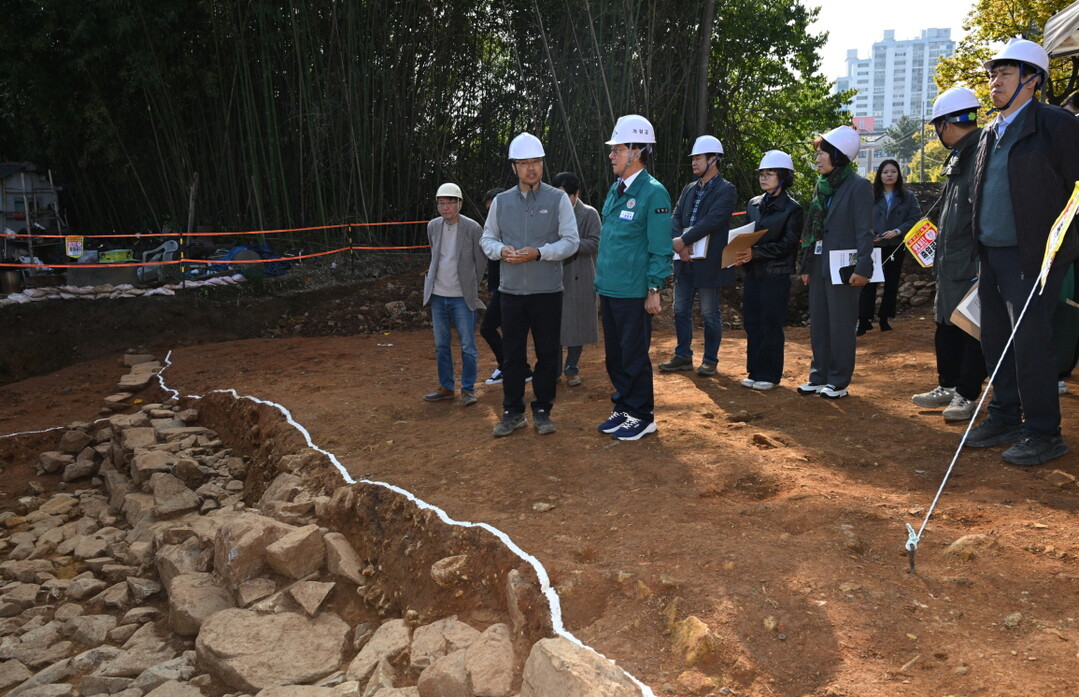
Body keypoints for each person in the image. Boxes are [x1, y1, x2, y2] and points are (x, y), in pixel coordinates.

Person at [966, 38, 1079, 465]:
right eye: (992, 74)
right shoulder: (989, 132)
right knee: (995, 339)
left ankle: (1044, 432)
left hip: (1034, 256)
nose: (994, 81)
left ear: (1032, 80)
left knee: (1030, 343)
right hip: (991, 254)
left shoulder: (1056, 125)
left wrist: (1061, 246)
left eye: (1005, 73)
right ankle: (1005, 416)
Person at [480, 133, 579, 437]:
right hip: (510, 293)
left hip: (547, 292)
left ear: (543, 164)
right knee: (512, 356)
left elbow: (571, 241)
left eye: (536, 162)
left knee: (548, 353)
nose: (531, 168)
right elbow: (487, 238)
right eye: (524, 163)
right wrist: (501, 251)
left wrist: (540, 253)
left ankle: (543, 409)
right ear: (514, 167)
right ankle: (512, 411)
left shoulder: (558, 199)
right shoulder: (501, 202)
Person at [911, 86, 987, 422]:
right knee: (946, 324)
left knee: (971, 328)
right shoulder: (960, 155)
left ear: (945, 124)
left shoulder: (981, 153)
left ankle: (966, 394)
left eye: (937, 127)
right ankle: (948, 384)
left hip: (970, 262)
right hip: (950, 260)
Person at [595, 114, 672, 440]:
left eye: (618, 149)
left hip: (633, 291)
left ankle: (642, 415)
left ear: (637, 151)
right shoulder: (615, 190)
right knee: (615, 355)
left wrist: (654, 287)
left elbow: (660, 247)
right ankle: (624, 406)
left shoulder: (654, 193)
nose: (611, 155)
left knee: (634, 355)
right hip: (610, 288)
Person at [797, 125, 875, 399]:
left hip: (844, 266)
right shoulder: (822, 186)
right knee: (819, 321)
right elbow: (812, 230)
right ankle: (818, 376)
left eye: (822, 154)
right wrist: (806, 265)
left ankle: (838, 380)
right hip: (819, 262)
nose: (817, 159)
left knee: (841, 323)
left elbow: (865, 230)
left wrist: (863, 267)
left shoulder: (859, 186)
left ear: (839, 155)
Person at [659, 135, 737, 376]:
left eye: (698, 158)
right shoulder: (689, 189)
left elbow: (714, 219)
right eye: (693, 158)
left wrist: (684, 240)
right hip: (684, 259)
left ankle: (710, 359)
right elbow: (675, 216)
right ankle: (683, 355)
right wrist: (679, 243)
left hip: (708, 262)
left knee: (709, 312)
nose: (694, 162)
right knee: (680, 309)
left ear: (713, 159)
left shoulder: (726, 190)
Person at [734, 150, 803, 391]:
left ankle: (770, 374)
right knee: (752, 322)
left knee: (770, 324)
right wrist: (738, 252)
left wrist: (756, 253)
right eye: (761, 173)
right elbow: (746, 235)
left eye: (770, 173)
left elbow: (788, 244)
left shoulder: (792, 209)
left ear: (784, 177)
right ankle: (754, 371)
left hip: (776, 274)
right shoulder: (753, 204)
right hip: (753, 273)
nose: (763, 178)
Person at [421, 183, 487, 407]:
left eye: (450, 202)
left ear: (460, 203)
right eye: (441, 203)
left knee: (467, 345)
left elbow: (481, 260)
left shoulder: (472, 228)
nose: (445, 207)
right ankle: (446, 387)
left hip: (462, 297)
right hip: (438, 295)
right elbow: (435, 254)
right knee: (441, 345)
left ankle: (468, 389)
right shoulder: (433, 226)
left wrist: (471, 285)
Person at [857, 159, 922, 335]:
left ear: (898, 174)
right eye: (885, 172)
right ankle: (863, 320)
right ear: (880, 175)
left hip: (895, 245)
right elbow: (860, 216)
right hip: (873, 245)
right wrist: (870, 235)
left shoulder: (907, 196)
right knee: (868, 281)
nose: (889, 175)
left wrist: (897, 231)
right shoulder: (870, 194)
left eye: (893, 171)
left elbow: (914, 218)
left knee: (891, 282)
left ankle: (885, 318)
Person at [551, 171, 600, 387]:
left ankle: (572, 368)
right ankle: (553, 370)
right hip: (554, 276)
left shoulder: (589, 214)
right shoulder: (549, 213)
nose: (561, 201)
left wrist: (570, 244)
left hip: (581, 275)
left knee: (576, 325)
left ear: (576, 194)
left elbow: (595, 242)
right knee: (553, 326)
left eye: (565, 196)